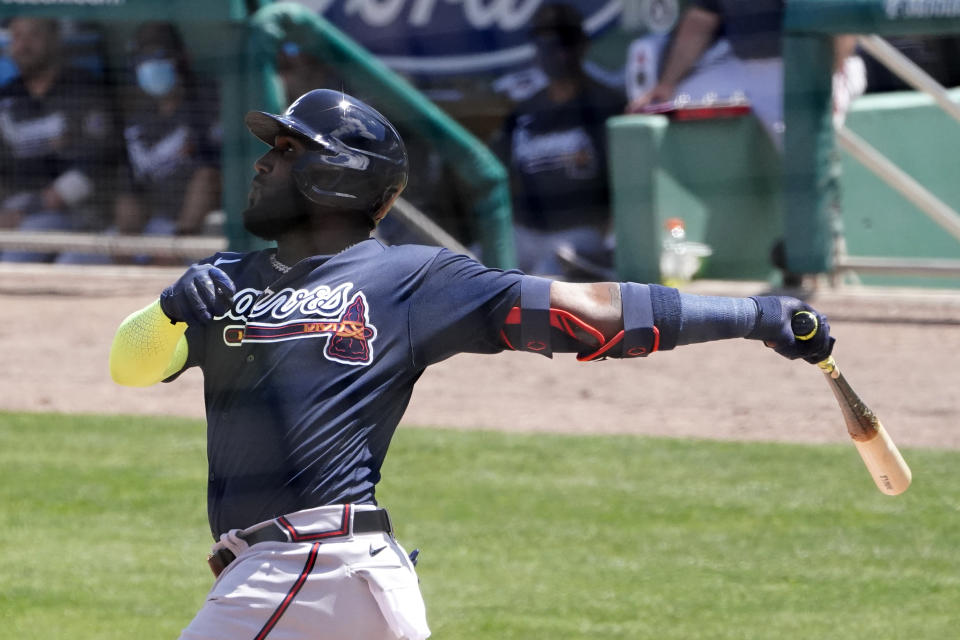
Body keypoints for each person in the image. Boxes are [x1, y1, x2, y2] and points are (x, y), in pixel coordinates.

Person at [109, 88, 834, 640]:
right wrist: (170, 308)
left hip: (310, 565)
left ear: (338, 175)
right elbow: (130, 368)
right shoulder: (226, 280)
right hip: (312, 579)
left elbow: (586, 312)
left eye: (289, 149)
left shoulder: (414, 280)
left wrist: (755, 315)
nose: (264, 160)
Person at [493, 2, 624, 277]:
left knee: (545, 282)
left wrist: (610, 239)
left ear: (582, 46)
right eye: (547, 45)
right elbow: (496, 177)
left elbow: (626, 185)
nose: (557, 55)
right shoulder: (525, 111)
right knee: (476, 264)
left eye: (564, 44)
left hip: (582, 234)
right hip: (525, 233)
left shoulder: (606, 105)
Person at [626, 0, 864, 150]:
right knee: (672, 104)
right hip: (742, 67)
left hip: (810, 66)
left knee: (808, 156)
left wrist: (826, 77)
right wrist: (667, 84)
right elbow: (701, 19)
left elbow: (837, 15)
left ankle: (829, 229)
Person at [0, 16, 118, 262]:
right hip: (14, 208)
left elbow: (95, 167)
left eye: (32, 35)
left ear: (54, 39)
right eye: (16, 37)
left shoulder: (84, 89)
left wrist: (24, 210)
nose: (22, 46)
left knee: (16, 256)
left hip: (76, 210)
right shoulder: (8, 95)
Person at [113, 22, 221, 256]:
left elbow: (209, 177)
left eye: (159, 55)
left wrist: (179, 244)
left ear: (183, 58)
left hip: (200, 230)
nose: (150, 65)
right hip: (153, 225)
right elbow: (129, 188)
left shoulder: (208, 104)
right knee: (78, 257)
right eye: (143, 58)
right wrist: (125, 244)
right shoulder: (137, 120)